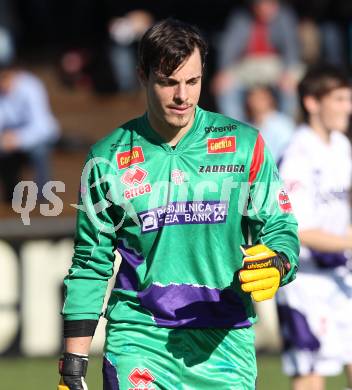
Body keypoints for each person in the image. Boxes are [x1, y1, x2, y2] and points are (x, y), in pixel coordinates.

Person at [58, 18, 299, 390]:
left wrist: (279, 262)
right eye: (168, 82)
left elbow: (279, 227)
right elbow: (90, 264)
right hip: (139, 336)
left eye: (193, 81)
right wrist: (73, 365)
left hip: (225, 341)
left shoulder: (245, 144)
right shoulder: (107, 158)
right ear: (142, 75)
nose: (183, 97)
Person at [277, 65, 352, 390]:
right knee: (310, 377)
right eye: (338, 99)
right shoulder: (296, 156)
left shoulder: (341, 146)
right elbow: (298, 230)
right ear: (311, 102)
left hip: (341, 274)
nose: (347, 107)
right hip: (303, 282)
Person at [211, 0, 303, 122]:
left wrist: (288, 73)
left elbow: (292, 48)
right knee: (224, 86)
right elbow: (229, 47)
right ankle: (238, 131)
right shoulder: (240, 17)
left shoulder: (285, 15)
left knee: (290, 84)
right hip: (246, 66)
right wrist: (223, 72)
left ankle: (285, 128)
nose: (266, 8)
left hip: (277, 65)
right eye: (261, 4)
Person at [0, 62, 60, 202]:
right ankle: (12, 198)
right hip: (9, 141)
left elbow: (41, 125)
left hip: (41, 137)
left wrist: (17, 139)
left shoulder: (31, 86)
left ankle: (44, 197)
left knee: (39, 151)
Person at [245, 84, 295, 163]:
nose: (256, 101)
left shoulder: (282, 123)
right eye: (253, 97)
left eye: (261, 98)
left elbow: (289, 153)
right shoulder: (246, 127)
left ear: (269, 99)